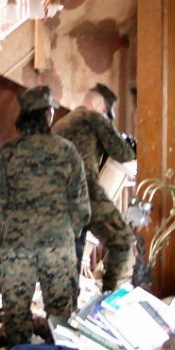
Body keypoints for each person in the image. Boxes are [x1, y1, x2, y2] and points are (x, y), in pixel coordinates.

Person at [0, 86, 91, 346]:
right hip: (58, 246)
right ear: (47, 114)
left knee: (16, 317)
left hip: (16, 248)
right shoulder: (67, 151)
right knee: (60, 319)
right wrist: (73, 237)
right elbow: (81, 205)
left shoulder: (6, 153)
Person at [52, 83, 136, 292]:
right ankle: (107, 294)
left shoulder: (61, 123)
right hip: (84, 190)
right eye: (106, 111)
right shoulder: (94, 118)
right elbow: (124, 154)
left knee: (72, 248)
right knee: (122, 239)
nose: (106, 116)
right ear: (96, 103)